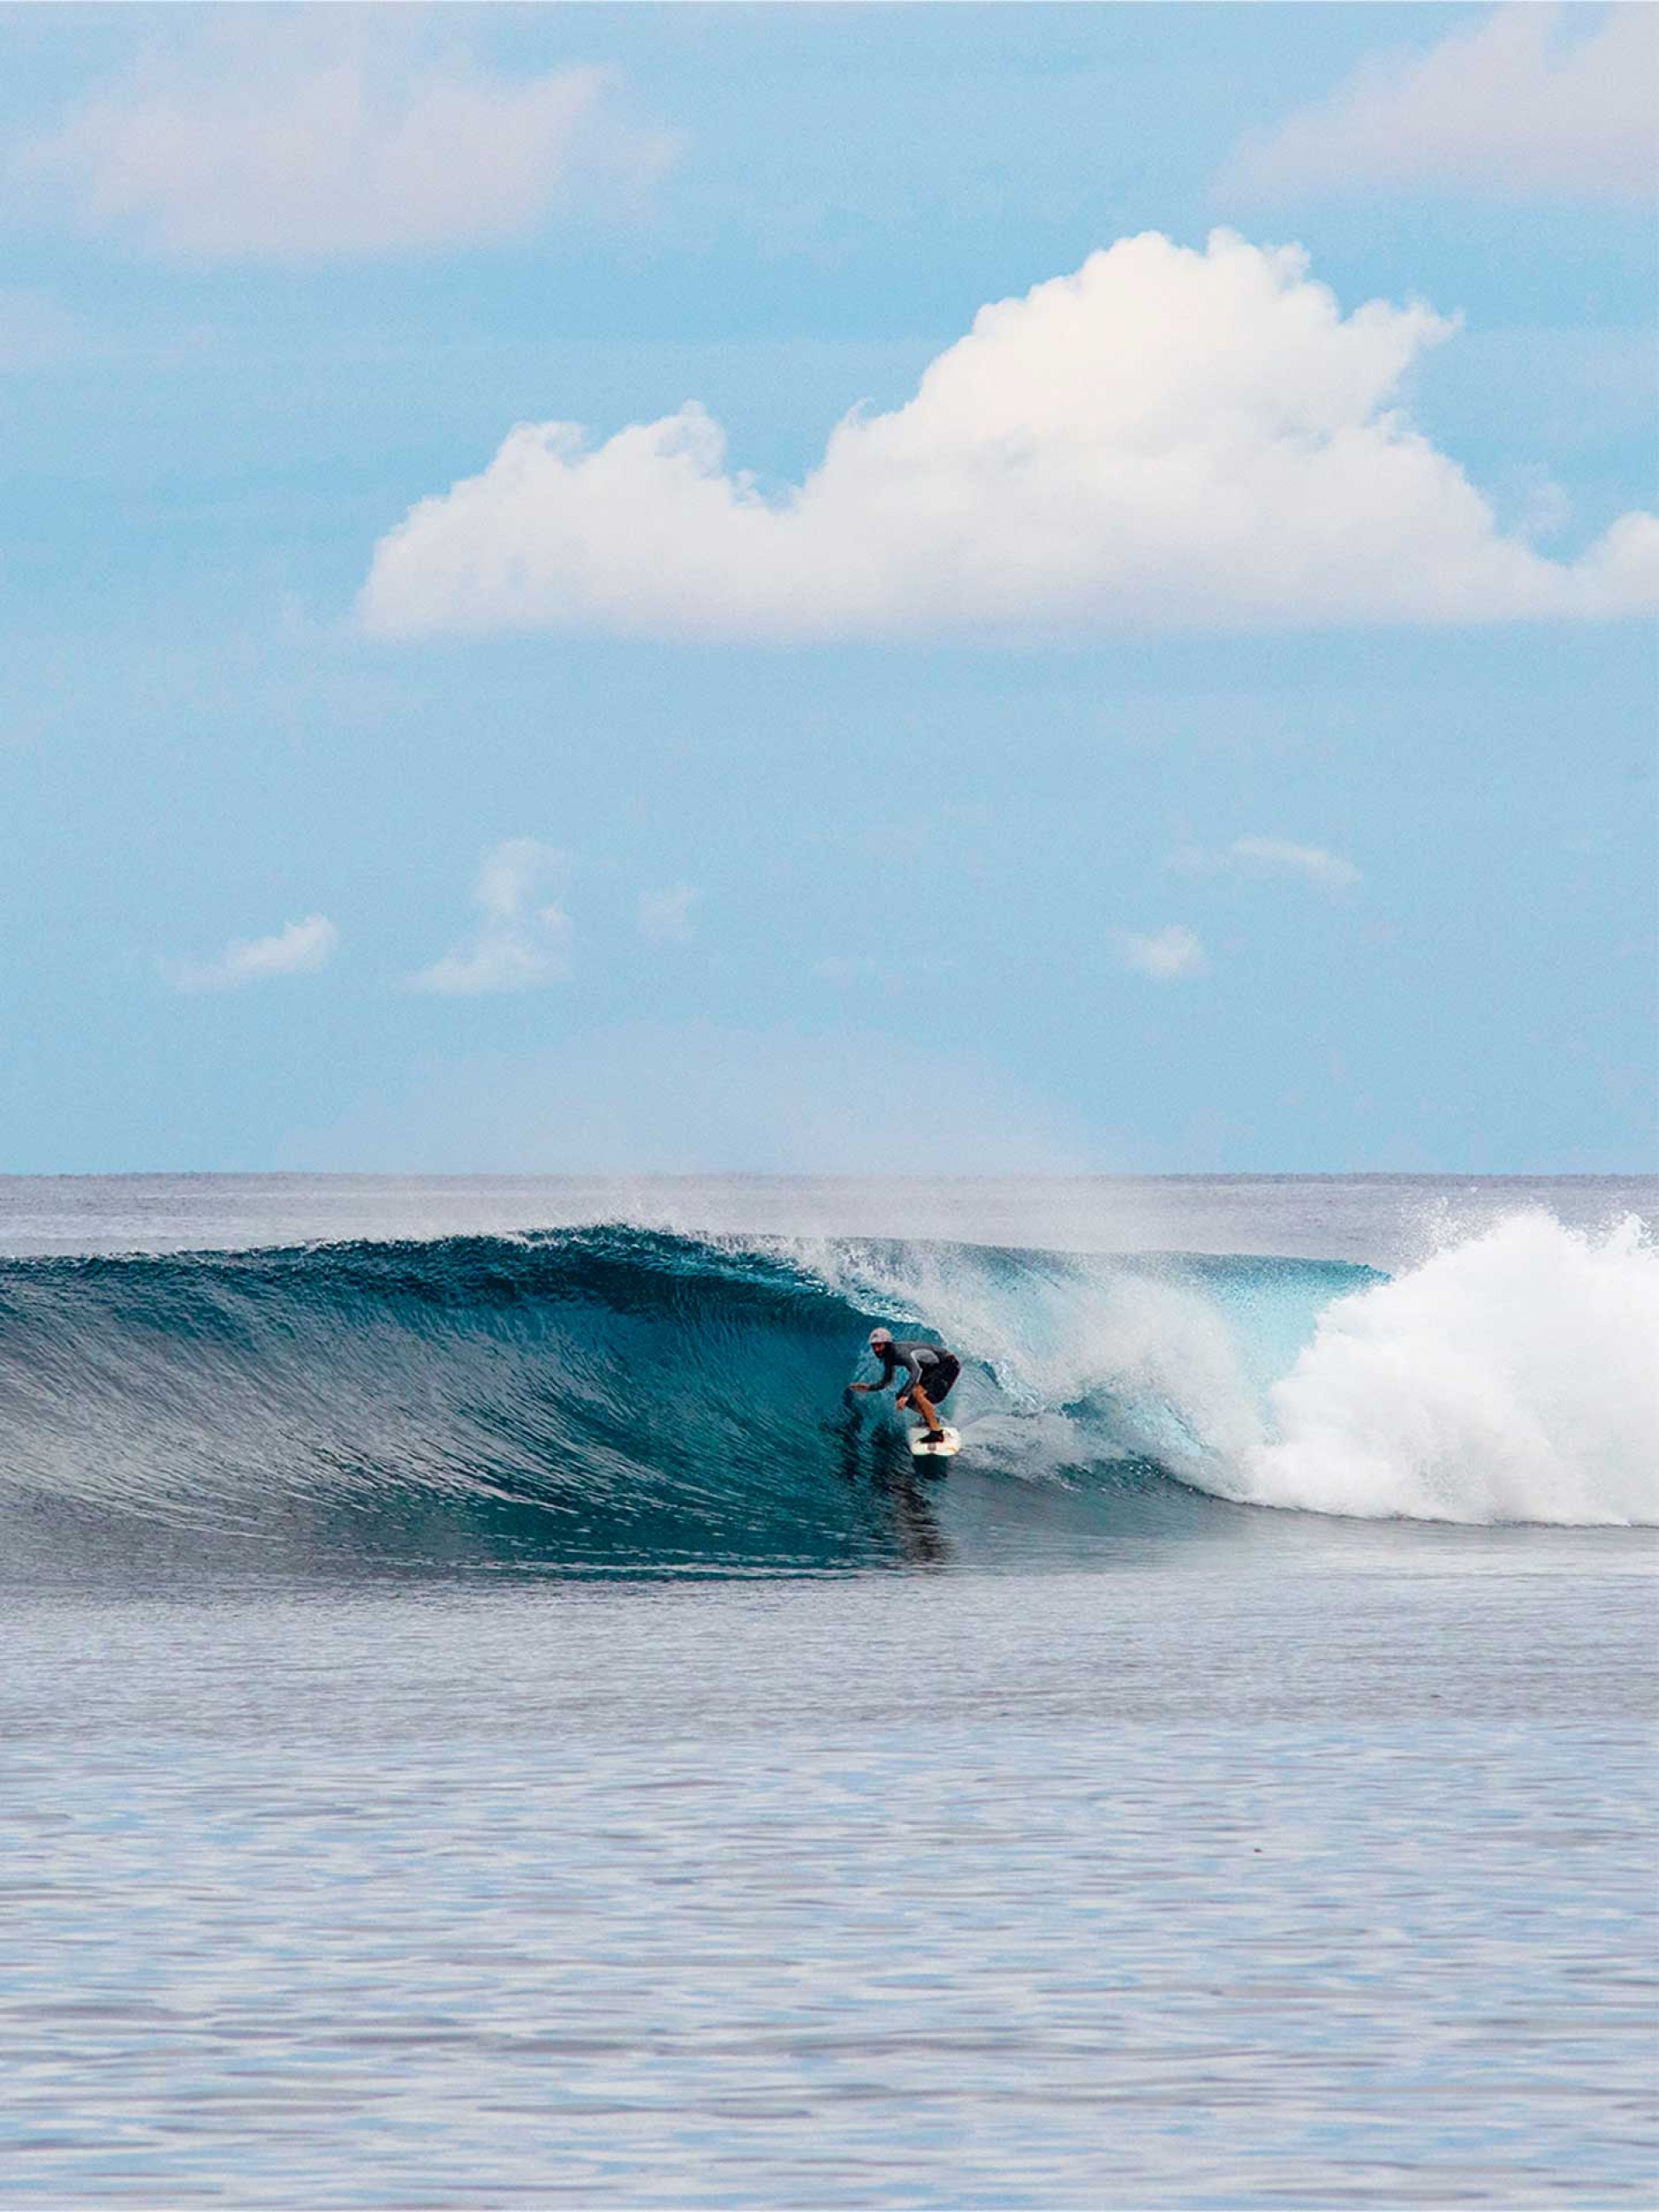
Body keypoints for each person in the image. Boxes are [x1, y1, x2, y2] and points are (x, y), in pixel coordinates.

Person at [851, 1326, 961, 1444]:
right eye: (874, 1346)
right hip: (931, 1369)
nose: (876, 1349)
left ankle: (937, 1434)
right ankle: (931, 1419)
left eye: (879, 1345)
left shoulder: (900, 1352)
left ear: (887, 1344)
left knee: (916, 1393)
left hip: (947, 1363)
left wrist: (906, 1395)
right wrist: (869, 1388)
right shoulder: (888, 1357)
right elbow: (887, 1381)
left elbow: (916, 1371)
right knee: (901, 1396)